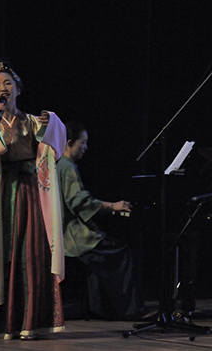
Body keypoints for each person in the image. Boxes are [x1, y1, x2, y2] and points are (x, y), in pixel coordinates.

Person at [0, 60, 67, 340]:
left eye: (8, 83)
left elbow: (57, 145)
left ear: (18, 89)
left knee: (30, 255)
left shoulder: (34, 122)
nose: (3, 88)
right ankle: (0, 323)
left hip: (30, 193)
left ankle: (28, 322)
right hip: (0, 194)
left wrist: (51, 122)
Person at [56, 121, 145, 320]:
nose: (85, 147)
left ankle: (98, 309)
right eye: (82, 143)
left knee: (102, 256)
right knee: (121, 252)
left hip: (65, 231)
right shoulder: (67, 167)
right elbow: (79, 201)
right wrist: (112, 206)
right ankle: (132, 311)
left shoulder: (59, 165)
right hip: (73, 235)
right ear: (69, 143)